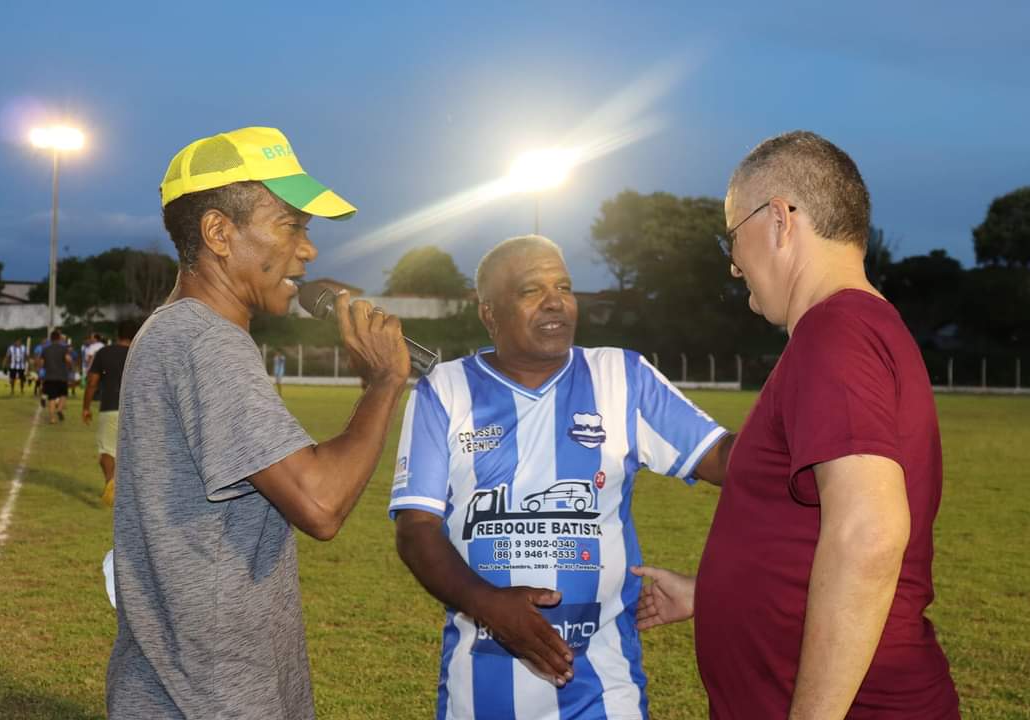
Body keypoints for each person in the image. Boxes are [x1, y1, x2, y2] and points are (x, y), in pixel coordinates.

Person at [633, 131, 960, 719]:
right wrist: (716, 596)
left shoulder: (837, 332)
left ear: (780, 220)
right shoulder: (855, 329)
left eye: (733, 236)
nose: (734, 264)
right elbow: (807, 530)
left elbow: (868, 534)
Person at [106, 126, 410, 719]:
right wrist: (383, 383)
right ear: (218, 233)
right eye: (290, 225)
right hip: (208, 696)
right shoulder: (204, 341)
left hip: (184, 684)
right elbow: (319, 502)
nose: (308, 250)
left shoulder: (176, 329)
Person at [390, 234, 733, 720]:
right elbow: (415, 529)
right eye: (531, 290)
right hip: (481, 699)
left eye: (564, 287)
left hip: (603, 699)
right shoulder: (445, 389)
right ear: (489, 313)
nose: (555, 301)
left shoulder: (622, 376)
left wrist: (805, 404)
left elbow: (730, 461)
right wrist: (487, 604)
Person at [82, 319, 139, 506]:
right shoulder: (141, 353)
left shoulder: (104, 353)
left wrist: (86, 407)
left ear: (117, 334)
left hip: (110, 407)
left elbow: (92, 382)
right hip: (137, 410)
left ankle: (111, 482)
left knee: (106, 451)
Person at [39, 330, 73, 423]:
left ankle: (52, 419)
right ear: (59, 338)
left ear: (51, 338)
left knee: (51, 398)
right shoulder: (63, 348)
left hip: (50, 376)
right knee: (63, 395)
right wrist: (70, 367)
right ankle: (59, 409)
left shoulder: (45, 349)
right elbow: (68, 360)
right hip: (62, 376)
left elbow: (41, 363)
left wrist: (45, 368)